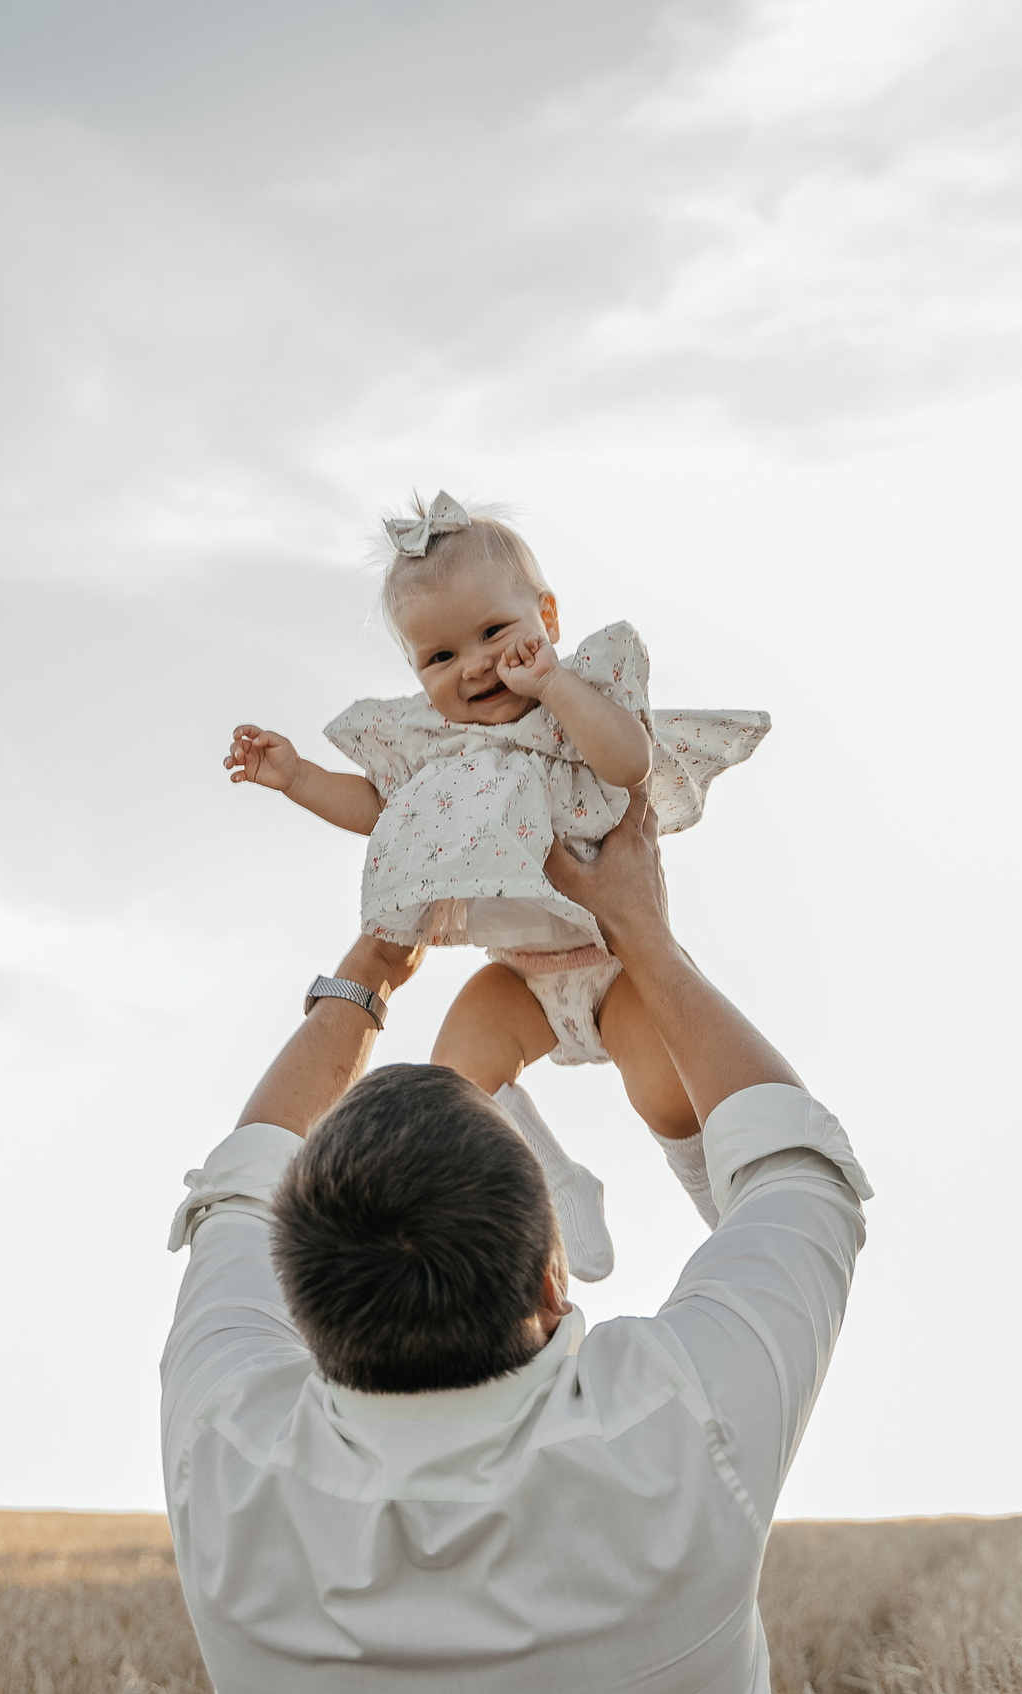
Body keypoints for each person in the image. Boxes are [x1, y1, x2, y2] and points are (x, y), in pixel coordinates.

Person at [161, 783, 874, 1694]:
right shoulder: (682, 1428)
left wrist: (373, 960)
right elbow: (800, 1171)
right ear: (551, 1278)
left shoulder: (225, 1460)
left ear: (297, 1304)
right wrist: (643, 932)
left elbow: (238, 1186)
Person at [222, 492, 771, 1280]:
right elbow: (384, 812)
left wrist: (554, 685)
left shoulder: (574, 704)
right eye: (440, 657)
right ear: (417, 673)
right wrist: (299, 777)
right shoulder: (435, 746)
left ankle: (727, 1211)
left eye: (493, 632)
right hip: (517, 975)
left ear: (546, 616)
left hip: (617, 963)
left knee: (664, 1092)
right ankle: (556, 1179)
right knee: (452, 1082)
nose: (474, 664)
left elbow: (629, 763)